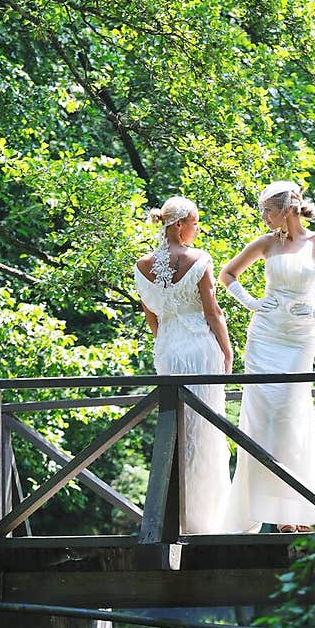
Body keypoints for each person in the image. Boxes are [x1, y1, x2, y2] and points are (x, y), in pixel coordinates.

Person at [218, 180, 315, 533]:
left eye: (268, 212)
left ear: (287, 209)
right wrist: (252, 303)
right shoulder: (266, 243)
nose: (264, 218)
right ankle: (278, 514)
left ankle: (300, 506)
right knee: (262, 418)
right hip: (265, 336)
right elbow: (227, 275)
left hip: (299, 338)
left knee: (289, 413)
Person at [134, 196, 234, 534]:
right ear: (179, 225)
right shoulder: (199, 259)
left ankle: (175, 516)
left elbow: (152, 317)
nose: (197, 229)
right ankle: (207, 520)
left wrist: (167, 343)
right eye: (195, 223)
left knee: (174, 428)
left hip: (168, 350)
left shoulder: (141, 265)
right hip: (200, 349)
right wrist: (228, 352)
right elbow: (212, 312)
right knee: (205, 429)